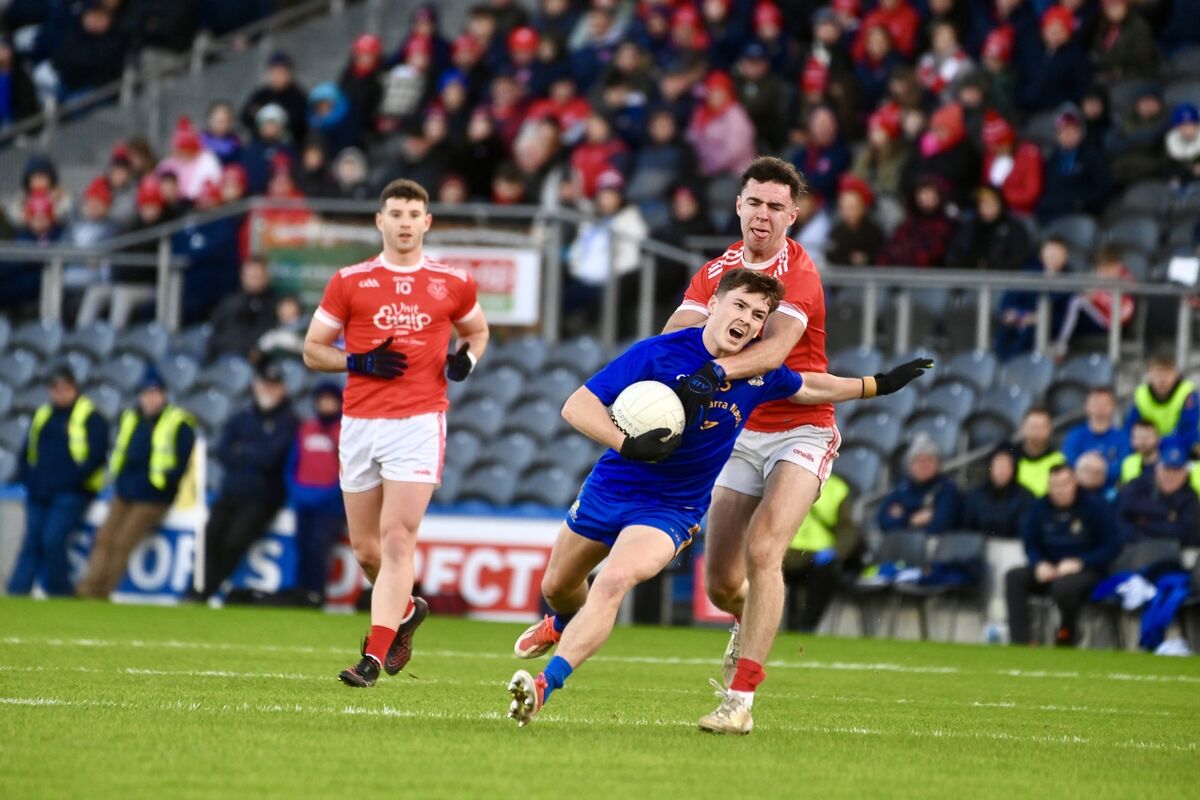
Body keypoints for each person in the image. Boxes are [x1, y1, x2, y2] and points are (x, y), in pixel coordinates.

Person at [505, 268, 930, 728]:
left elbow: (808, 386)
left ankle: (545, 684)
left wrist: (877, 384)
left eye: (759, 315)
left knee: (611, 583)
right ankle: (562, 623)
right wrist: (626, 443)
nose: (747, 320)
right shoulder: (657, 353)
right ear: (714, 305)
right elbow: (577, 405)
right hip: (611, 487)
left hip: (671, 509)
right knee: (557, 588)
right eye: (740, 306)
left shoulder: (756, 373)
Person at [659, 157, 838, 731]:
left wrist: (711, 373)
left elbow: (773, 355)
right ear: (738, 205)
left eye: (775, 207)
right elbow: (673, 335)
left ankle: (740, 701)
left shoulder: (801, 275)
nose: (763, 215)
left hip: (804, 425)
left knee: (765, 551)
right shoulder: (716, 271)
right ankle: (753, 619)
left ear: (794, 214)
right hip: (742, 429)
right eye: (754, 202)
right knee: (720, 583)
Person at [304, 178, 490, 687]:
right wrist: (357, 359)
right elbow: (312, 349)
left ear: (427, 222)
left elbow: (477, 330)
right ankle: (405, 611)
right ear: (380, 221)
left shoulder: (451, 282)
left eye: (414, 214)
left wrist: (466, 360)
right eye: (396, 213)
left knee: (396, 538)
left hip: (418, 422)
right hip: (361, 423)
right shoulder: (350, 280)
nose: (405, 223)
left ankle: (373, 655)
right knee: (367, 550)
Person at [78, 367, 195, 599]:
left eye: (155, 393)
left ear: (163, 395)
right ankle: (87, 590)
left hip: (154, 495)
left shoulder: (178, 423)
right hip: (126, 490)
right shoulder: (131, 418)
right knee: (104, 538)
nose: (150, 399)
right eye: (146, 394)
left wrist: (165, 484)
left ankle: (102, 591)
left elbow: (181, 462)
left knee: (123, 541)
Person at [197, 361, 298, 601]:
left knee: (234, 541)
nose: (268, 391)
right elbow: (222, 451)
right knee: (210, 536)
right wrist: (252, 453)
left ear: (282, 389)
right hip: (232, 489)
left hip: (262, 496)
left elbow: (272, 458)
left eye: (274, 386)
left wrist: (243, 451)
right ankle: (202, 587)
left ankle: (208, 588)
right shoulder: (242, 416)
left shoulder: (288, 421)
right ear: (256, 386)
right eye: (265, 385)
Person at [7, 369, 108, 596]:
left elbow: (96, 457)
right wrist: (29, 479)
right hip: (39, 491)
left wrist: (71, 482)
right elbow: (27, 452)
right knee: (31, 542)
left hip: (71, 492)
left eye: (65, 388)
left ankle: (59, 591)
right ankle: (16, 592)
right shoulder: (43, 414)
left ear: (75, 388)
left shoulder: (91, 417)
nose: (60, 393)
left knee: (52, 539)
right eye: (55, 389)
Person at [1005, 464, 1120, 646]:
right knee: (1014, 577)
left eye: (1064, 484)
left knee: (1064, 588)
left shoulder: (1095, 507)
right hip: (1050, 568)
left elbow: (1112, 546)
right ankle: (1022, 641)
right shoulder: (1040, 507)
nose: (1059, 490)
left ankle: (1065, 637)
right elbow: (1030, 542)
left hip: (1087, 572)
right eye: (1054, 485)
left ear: (1074, 482)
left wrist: (1081, 563)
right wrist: (1039, 563)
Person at [287, 382, 345, 606]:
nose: (326, 404)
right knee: (302, 544)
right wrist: (295, 490)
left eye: (330, 400)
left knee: (319, 547)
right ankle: (301, 590)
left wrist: (330, 494)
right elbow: (292, 463)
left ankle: (316, 592)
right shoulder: (306, 429)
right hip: (304, 500)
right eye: (322, 400)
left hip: (331, 504)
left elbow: (348, 470)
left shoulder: (344, 431)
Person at [1116, 441, 1200, 547]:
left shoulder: (1190, 496)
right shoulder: (1138, 485)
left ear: (1185, 474)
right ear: (1157, 470)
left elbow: (1187, 533)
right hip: (1134, 548)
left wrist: (1143, 522)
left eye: (1176, 471)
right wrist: (1167, 514)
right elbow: (1121, 517)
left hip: (1175, 553)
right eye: (1167, 469)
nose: (1170, 476)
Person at [877, 433, 962, 534]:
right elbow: (882, 521)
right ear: (910, 466)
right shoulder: (902, 488)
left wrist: (902, 517)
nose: (924, 465)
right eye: (918, 461)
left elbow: (939, 527)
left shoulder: (947, 489)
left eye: (929, 460)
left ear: (938, 464)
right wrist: (911, 519)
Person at [207, 255, 279, 362]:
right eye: (251, 276)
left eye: (258, 276)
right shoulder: (229, 303)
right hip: (225, 359)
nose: (254, 281)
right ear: (242, 276)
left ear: (266, 277)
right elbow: (215, 333)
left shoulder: (275, 305)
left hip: (261, 364)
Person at [1124, 354, 1199, 456]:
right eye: (1157, 374)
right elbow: (1130, 430)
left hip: (1178, 448)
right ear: (1149, 375)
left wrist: (1157, 442)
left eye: (1167, 374)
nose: (1162, 380)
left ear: (1176, 375)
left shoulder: (1186, 394)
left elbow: (1189, 434)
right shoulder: (1140, 395)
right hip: (1146, 448)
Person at [962, 445, 1034, 539]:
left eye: (1006, 466)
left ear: (1014, 469)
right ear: (990, 468)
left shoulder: (1025, 497)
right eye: (998, 466)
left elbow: (1026, 532)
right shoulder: (975, 495)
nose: (1001, 471)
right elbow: (966, 529)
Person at [1061, 386, 1127, 488]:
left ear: (1113, 407)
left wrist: (1092, 468)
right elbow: (1069, 463)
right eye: (1096, 404)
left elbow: (1123, 467)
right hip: (1078, 491)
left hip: (1111, 492)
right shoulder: (1074, 435)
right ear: (1086, 406)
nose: (1100, 408)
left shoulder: (1123, 438)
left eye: (1105, 404)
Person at [1015, 407, 1066, 498]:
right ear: (1022, 428)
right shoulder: (1011, 459)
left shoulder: (1058, 460)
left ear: (1050, 429)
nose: (1037, 432)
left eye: (1042, 427)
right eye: (1033, 426)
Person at [1120, 419, 1162, 484]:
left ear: (1159, 439)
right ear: (1132, 440)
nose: (1143, 441)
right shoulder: (1128, 463)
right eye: (1139, 437)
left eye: (1147, 436)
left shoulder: (1166, 463)